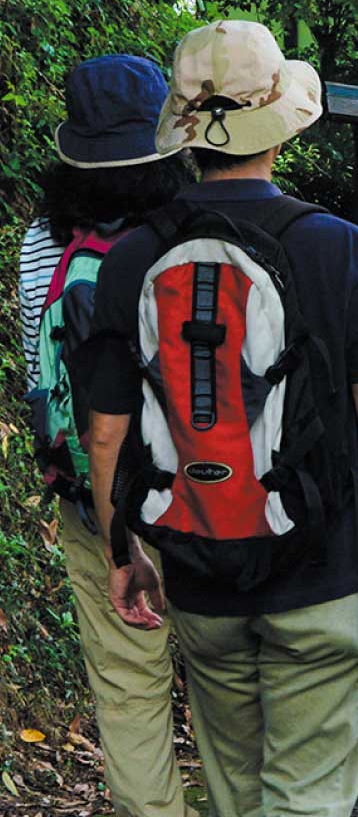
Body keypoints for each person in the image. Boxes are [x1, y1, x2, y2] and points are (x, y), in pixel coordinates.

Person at [79, 20, 358, 817]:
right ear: (280, 126)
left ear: (186, 134)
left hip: (201, 565)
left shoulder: (134, 257)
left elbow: (105, 430)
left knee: (238, 793)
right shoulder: (336, 247)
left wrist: (122, 548)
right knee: (306, 795)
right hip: (317, 569)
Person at [17, 55, 196, 817]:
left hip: (95, 507)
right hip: (201, 496)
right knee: (226, 682)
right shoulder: (189, 237)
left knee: (129, 693)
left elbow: (39, 369)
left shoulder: (38, 244)